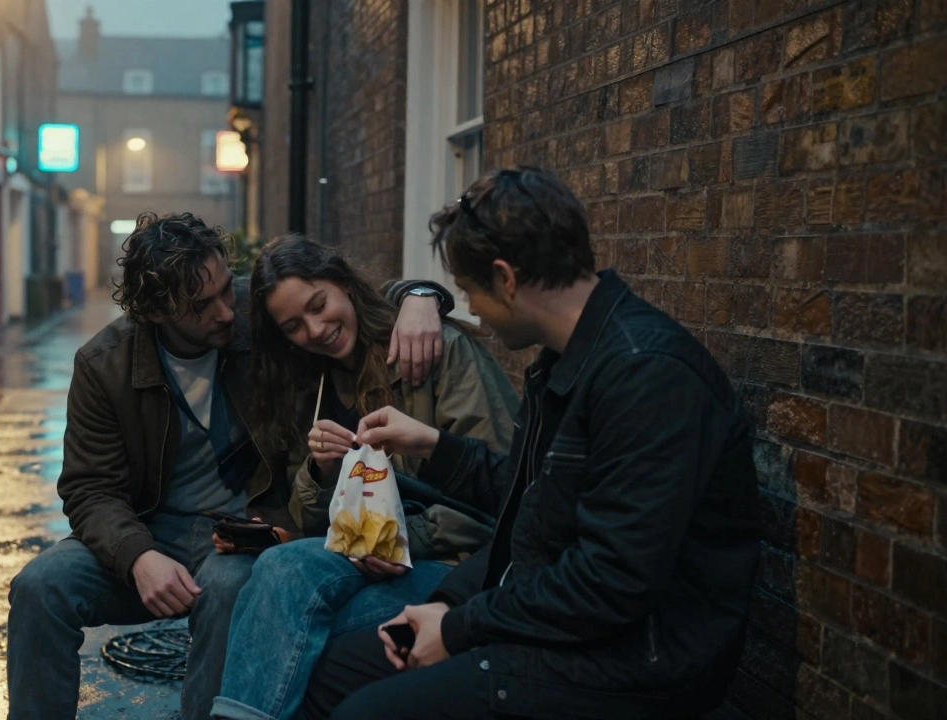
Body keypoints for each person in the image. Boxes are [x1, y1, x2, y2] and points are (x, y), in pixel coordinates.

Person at [296, 168, 761, 720]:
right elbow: (527, 516)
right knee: (336, 673)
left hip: (638, 660)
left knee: (366, 713)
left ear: (505, 278)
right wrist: (444, 598)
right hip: (551, 620)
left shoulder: (647, 374)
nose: (472, 312)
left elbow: (611, 581)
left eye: (469, 293)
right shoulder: (563, 365)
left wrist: (459, 625)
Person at [5, 212, 449, 720]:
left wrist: (420, 296)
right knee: (40, 587)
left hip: (250, 525)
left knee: (227, 586)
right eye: (201, 305)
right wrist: (136, 556)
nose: (225, 311)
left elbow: (339, 297)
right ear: (156, 312)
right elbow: (88, 488)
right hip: (150, 528)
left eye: (223, 289)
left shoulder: (250, 313)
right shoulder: (104, 364)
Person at [210, 236, 520, 720]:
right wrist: (320, 470)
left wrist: (389, 539)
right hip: (362, 563)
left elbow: (502, 495)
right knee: (278, 586)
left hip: (460, 569)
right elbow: (313, 522)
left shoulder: (432, 350)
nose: (316, 330)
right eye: (294, 326)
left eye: (319, 304)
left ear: (344, 284)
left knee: (282, 611)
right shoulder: (310, 384)